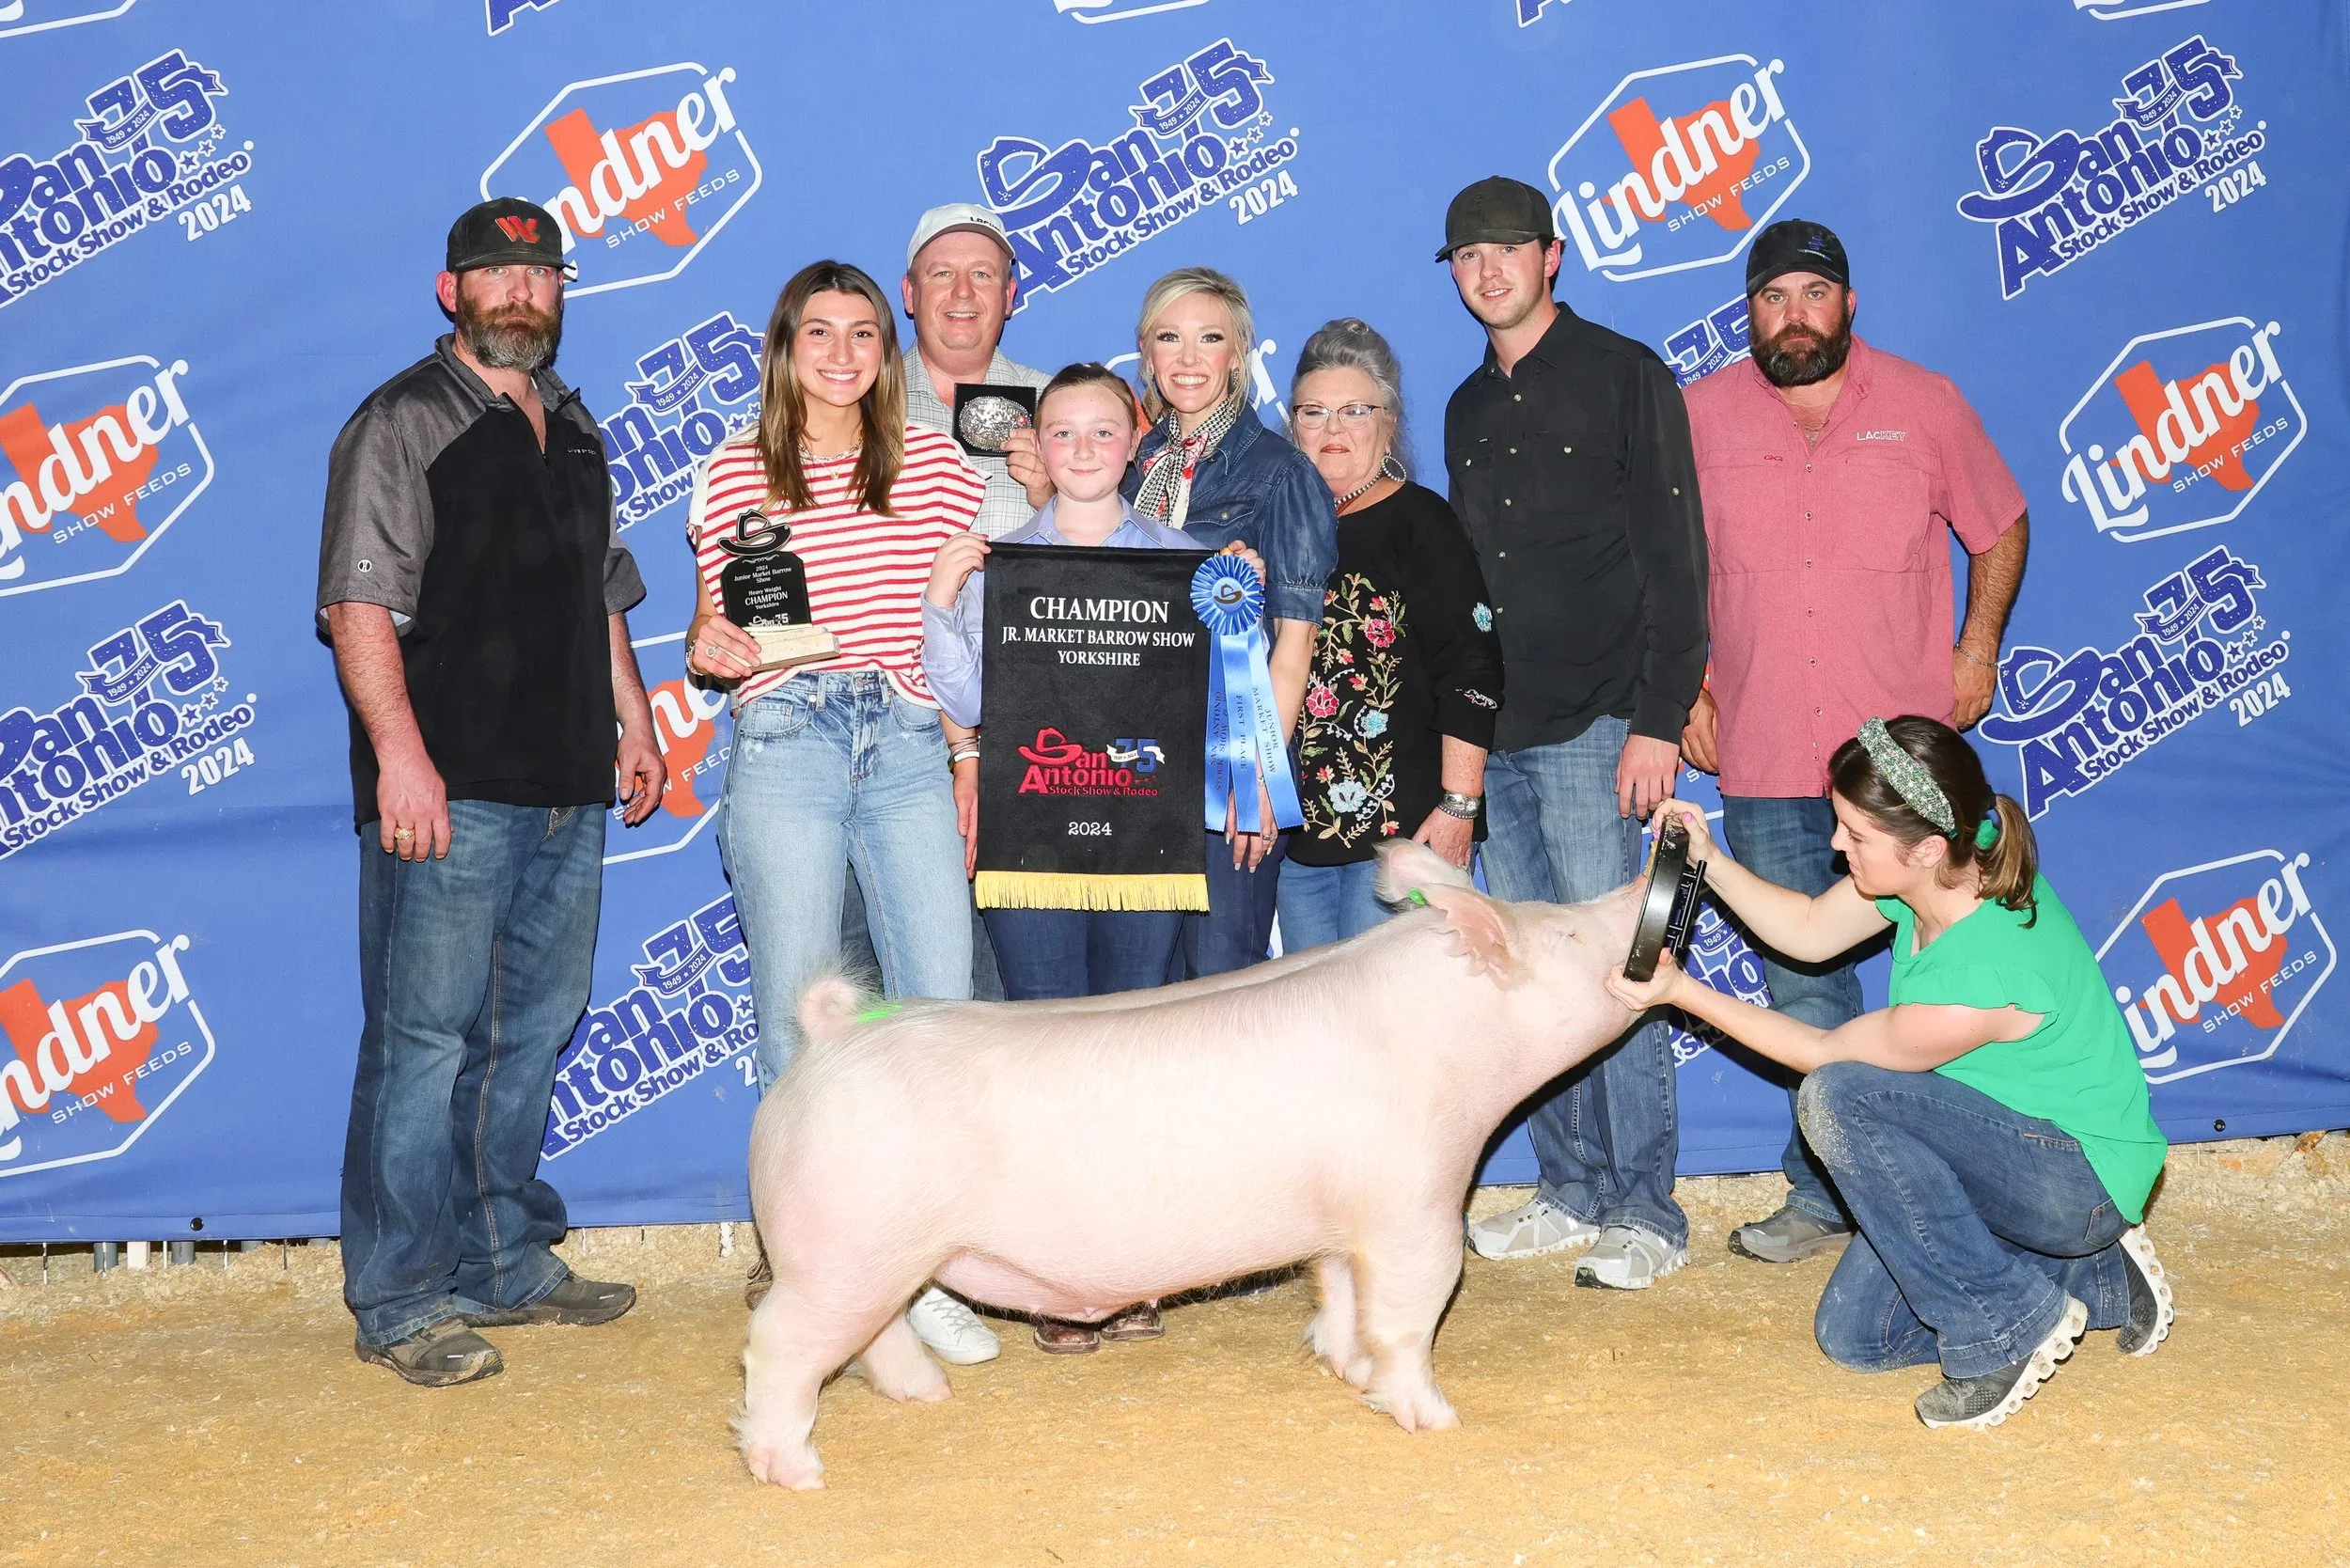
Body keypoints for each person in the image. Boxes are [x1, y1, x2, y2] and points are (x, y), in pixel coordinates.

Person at [318, 197, 666, 1387]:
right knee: (421, 1044)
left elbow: (603, 590)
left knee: (527, 1034)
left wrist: (635, 715)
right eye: (497, 274)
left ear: (560, 292)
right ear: (449, 289)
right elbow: (358, 607)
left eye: (540, 275)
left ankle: (503, 1256)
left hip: (569, 779)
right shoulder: (400, 424)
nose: (521, 292)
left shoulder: (574, 422)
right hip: (450, 789)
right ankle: (401, 1295)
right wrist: (402, 759)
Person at [1606, 716, 2172, 1429]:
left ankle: (2007, 1322)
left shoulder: (1982, 971)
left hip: (2073, 1179)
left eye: (1857, 836)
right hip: (2001, 1149)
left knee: (1837, 1097)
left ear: (1927, 848)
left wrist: (1682, 992)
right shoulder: (1950, 867)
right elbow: (1811, 930)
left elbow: (1826, 1054)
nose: (1838, 847)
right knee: (1856, 1339)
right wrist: (1706, 859)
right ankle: (2094, 1274)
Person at [1680, 220, 2030, 1267]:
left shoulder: (1924, 404)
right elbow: (1663, 564)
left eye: (1812, 294)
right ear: (1748, 311)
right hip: (1768, 742)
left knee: (1951, 978)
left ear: (1848, 304)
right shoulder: (1695, 416)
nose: (1793, 314)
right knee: (1805, 979)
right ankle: (1827, 1195)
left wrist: (1977, 645)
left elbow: (2000, 522)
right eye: (1771, 297)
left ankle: (1973, 1182)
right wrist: (1690, 682)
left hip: (1903, 763)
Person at [682, 259, 999, 1367]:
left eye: (861, 333)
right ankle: (825, 1283)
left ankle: (929, 1276)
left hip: (909, 744)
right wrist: (703, 647)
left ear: (885, 348)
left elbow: (954, 633)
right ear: (785, 346)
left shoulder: (939, 468)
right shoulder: (732, 471)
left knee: (941, 1017)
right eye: (817, 333)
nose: (840, 353)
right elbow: (708, 631)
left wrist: (964, 751)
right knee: (798, 1024)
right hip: (787, 744)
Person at [922, 361, 1261, 1355]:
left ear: (1134, 441)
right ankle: (1052, 1279)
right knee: (1043, 1057)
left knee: (1132, 1054)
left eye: (1100, 432)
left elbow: (1211, 702)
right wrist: (945, 601)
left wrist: (1230, 600)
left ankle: (1132, 1266)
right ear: (1037, 446)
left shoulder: (1187, 561)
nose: (1080, 450)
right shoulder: (1002, 558)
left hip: (1147, 843)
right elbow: (971, 699)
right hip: (1034, 843)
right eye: (1060, 433)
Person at [1439, 177, 1709, 1290]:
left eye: (1508, 249)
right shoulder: (1462, 407)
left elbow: (1675, 561)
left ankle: (1647, 1209)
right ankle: (1569, 1188)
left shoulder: (1624, 375)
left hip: (1602, 725)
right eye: (1466, 255)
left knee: (1614, 969)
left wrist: (1656, 720)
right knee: (1523, 979)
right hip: (1496, 737)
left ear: (1553, 256)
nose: (1487, 268)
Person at [834, 203, 1058, 1007]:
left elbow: (1116, 576)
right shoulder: (848, 398)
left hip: (1029, 736)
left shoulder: (1063, 408)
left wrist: (1050, 504)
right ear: (907, 292)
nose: (962, 292)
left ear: (1011, 294)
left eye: (983, 275)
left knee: (1011, 993)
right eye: (941, 273)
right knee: (863, 983)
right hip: (877, 729)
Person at [1115, 267, 1339, 979]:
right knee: (1141, 998)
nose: (1187, 358)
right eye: (1168, 338)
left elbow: (1296, 642)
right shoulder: (1130, 468)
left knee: (1223, 992)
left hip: (1228, 766)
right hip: (1137, 762)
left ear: (1238, 354)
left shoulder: (1282, 472)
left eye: (1208, 339)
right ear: (1146, 353)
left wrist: (1258, 779)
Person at [1278, 319, 1503, 947]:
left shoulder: (1420, 521)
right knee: (1318, 1032)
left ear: (1390, 422)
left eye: (1355, 410)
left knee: (1391, 1032)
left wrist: (1460, 805)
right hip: (1296, 843)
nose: (1333, 430)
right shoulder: (1277, 527)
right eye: (1313, 412)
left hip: (1406, 836)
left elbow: (1473, 667)